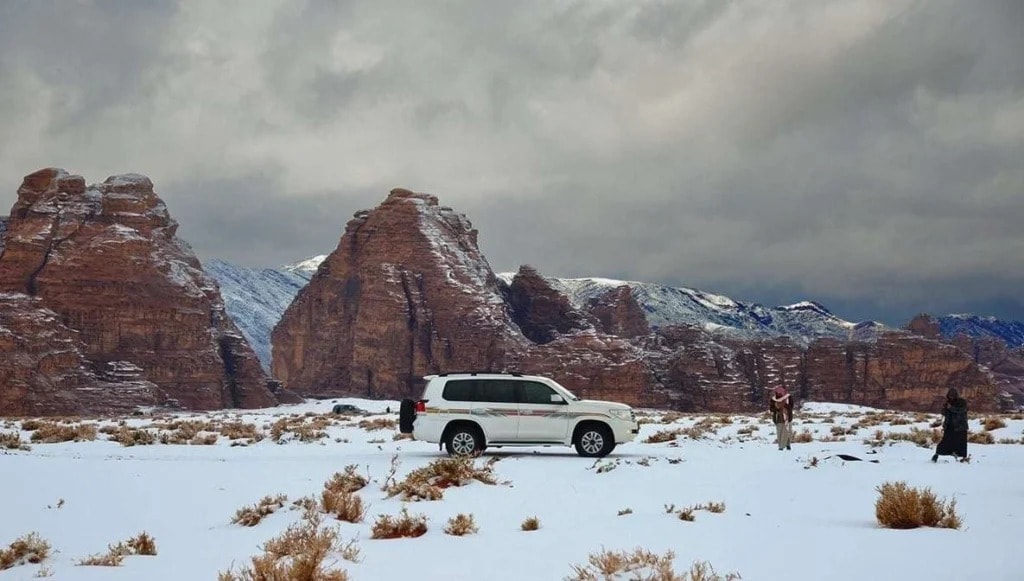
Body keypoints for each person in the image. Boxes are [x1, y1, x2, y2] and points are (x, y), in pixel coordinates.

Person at [932, 388, 969, 462]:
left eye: (952, 395)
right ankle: (937, 454)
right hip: (949, 426)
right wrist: (945, 409)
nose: (951, 397)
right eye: (950, 395)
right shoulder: (948, 402)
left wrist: (951, 408)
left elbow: (963, 410)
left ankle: (963, 458)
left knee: (961, 442)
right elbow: (944, 413)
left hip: (960, 426)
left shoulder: (961, 402)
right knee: (945, 441)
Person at [769, 386, 793, 451]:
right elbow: (771, 409)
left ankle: (787, 445)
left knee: (788, 432)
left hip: (787, 418)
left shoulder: (788, 397)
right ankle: (781, 446)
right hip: (778, 418)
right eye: (778, 392)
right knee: (780, 433)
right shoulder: (773, 399)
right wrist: (777, 407)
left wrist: (785, 405)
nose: (779, 394)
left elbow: (791, 406)